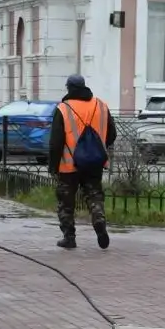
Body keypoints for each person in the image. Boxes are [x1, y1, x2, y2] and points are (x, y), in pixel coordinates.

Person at [45, 73, 116, 250]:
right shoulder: (101, 105)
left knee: (66, 202)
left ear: (69, 88)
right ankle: (99, 221)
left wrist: (53, 166)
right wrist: (97, 148)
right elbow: (112, 134)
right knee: (94, 195)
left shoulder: (63, 109)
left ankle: (69, 237)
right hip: (94, 163)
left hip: (69, 166)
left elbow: (56, 142)